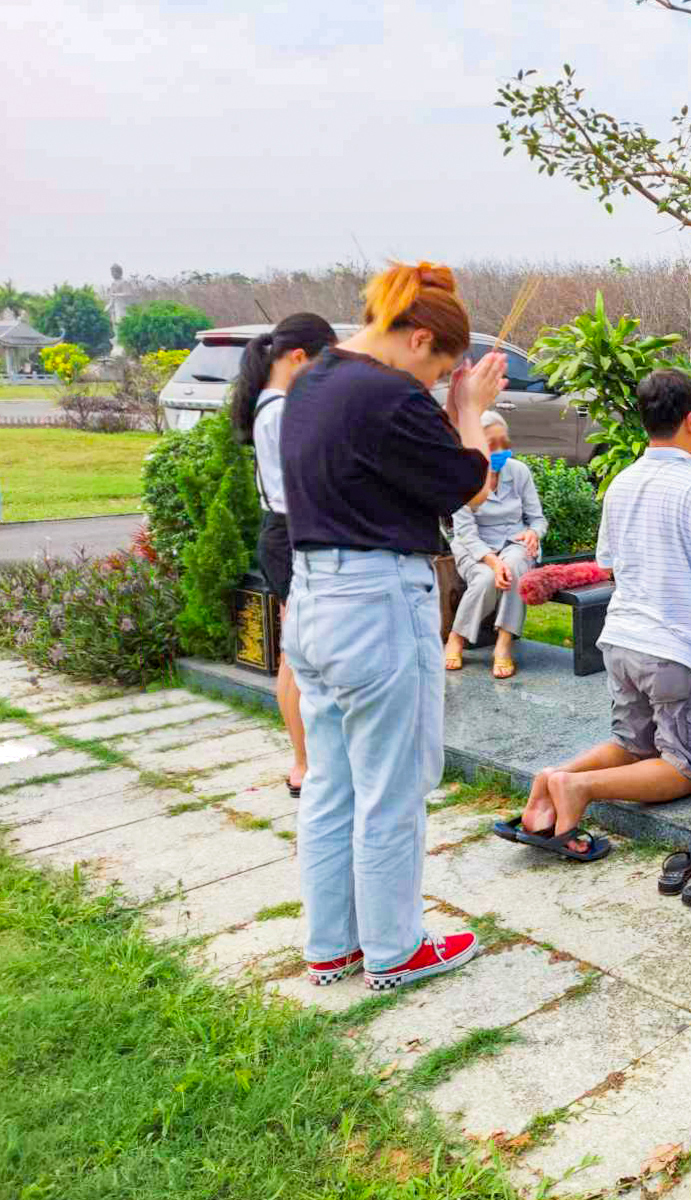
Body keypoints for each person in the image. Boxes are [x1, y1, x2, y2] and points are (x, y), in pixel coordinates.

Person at [280, 261, 503, 991]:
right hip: (376, 602)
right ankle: (395, 949)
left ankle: (331, 947)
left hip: (314, 598)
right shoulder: (386, 393)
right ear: (418, 339)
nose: (434, 383)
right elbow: (470, 484)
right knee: (393, 784)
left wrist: (447, 399)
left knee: (332, 784)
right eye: (437, 369)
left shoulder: (314, 379)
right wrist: (469, 408)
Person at [501, 367, 691, 860]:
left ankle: (554, 778)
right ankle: (581, 788)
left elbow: (608, 565)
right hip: (680, 653)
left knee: (634, 746)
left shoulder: (621, 484)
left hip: (622, 642)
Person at [229, 312, 338, 801]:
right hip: (291, 535)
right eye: (323, 361)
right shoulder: (279, 411)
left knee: (296, 655)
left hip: (286, 533)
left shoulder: (272, 405)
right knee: (296, 658)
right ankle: (302, 764)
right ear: (298, 358)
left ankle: (305, 761)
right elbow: (300, 487)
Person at [445, 411, 546, 679]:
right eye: (492, 444)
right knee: (487, 578)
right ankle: (457, 636)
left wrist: (533, 533)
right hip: (475, 548)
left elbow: (537, 519)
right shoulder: (461, 476)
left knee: (514, 566)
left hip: (515, 542)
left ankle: (504, 642)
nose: (500, 450)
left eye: (504, 442)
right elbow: (465, 533)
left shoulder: (519, 471)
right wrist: (492, 561)